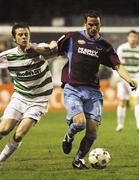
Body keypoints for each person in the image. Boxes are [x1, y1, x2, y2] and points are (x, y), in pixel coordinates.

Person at [56, 11, 137, 169]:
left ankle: (78, 159)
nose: (93, 27)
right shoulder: (72, 37)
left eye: (96, 24)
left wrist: (129, 79)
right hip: (73, 88)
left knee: (92, 133)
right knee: (79, 124)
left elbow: (118, 66)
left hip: (93, 91)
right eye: (90, 24)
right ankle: (68, 137)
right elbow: (54, 49)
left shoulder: (104, 46)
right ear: (84, 24)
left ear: (100, 25)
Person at [0, 23, 57, 163]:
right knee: (4, 129)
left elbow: (51, 48)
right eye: (20, 35)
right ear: (14, 39)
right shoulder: (7, 56)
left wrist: (52, 44)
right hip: (20, 97)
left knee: (19, 134)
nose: (24, 37)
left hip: (39, 101)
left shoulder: (39, 49)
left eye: (26, 34)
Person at [115, 30, 139, 132]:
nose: (133, 38)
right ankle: (120, 125)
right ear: (127, 37)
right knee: (122, 102)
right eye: (131, 36)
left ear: (137, 38)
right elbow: (117, 64)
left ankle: (138, 126)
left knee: (137, 101)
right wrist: (119, 77)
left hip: (136, 78)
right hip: (124, 79)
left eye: (135, 36)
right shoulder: (122, 48)